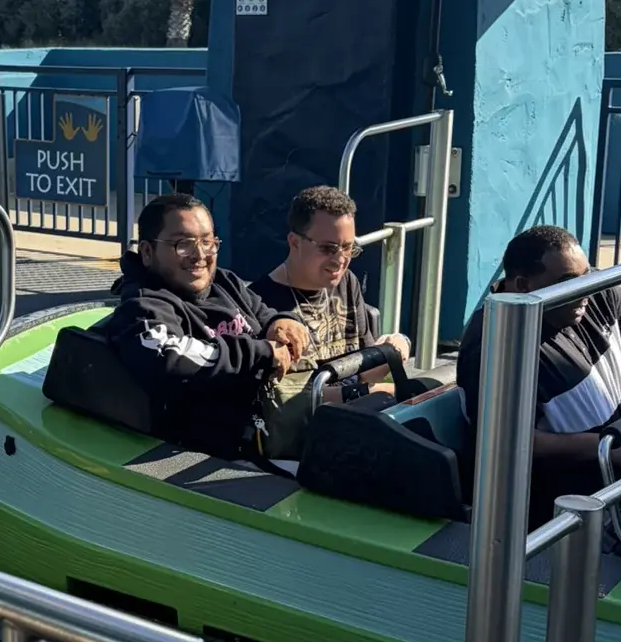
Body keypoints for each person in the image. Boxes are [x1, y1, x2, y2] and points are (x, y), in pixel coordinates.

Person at [455, 224, 621, 526]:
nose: (584, 292)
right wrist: (607, 448)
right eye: (566, 282)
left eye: (586, 276)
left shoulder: (593, 290)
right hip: (558, 495)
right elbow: (509, 438)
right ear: (524, 286)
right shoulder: (493, 343)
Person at [100, 193, 309, 459]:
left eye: (208, 242)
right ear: (147, 252)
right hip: (208, 458)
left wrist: (282, 322)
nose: (200, 255)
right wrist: (261, 352)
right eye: (182, 244)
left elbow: (264, 313)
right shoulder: (143, 307)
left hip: (272, 429)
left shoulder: (225, 282)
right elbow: (168, 354)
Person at [251, 184, 413, 458]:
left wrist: (395, 347)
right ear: (294, 242)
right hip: (304, 445)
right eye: (328, 248)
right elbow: (281, 403)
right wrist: (366, 392)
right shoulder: (261, 305)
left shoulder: (345, 282)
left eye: (349, 249)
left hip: (354, 423)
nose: (340, 260)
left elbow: (365, 370)